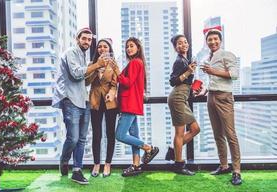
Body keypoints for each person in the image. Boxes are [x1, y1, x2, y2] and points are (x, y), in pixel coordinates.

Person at [52, 27, 106, 185]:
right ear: (78, 39)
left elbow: (84, 81)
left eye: (89, 40)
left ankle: (77, 170)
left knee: (82, 139)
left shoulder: (83, 56)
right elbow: (76, 74)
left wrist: (96, 71)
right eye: (84, 39)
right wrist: (96, 66)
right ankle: (64, 160)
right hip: (70, 100)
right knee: (73, 138)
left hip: (83, 100)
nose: (87, 42)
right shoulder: (71, 52)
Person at [111, 37, 159, 177]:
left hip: (129, 104)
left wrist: (117, 72)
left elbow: (127, 82)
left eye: (132, 46)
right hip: (131, 103)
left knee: (120, 135)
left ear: (138, 48)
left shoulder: (135, 63)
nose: (129, 48)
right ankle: (136, 165)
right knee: (134, 136)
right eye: (127, 46)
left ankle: (149, 148)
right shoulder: (137, 63)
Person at [201, 26, 242, 185]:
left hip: (224, 97)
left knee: (230, 135)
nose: (212, 42)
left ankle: (237, 171)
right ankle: (224, 165)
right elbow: (213, 80)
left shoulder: (227, 55)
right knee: (217, 134)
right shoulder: (209, 57)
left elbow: (234, 75)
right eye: (209, 40)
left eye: (215, 39)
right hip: (211, 96)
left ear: (220, 40)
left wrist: (212, 71)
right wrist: (203, 90)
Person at [167, 34, 200, 175]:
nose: (183, 44)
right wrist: (188, 72)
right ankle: (179, 164)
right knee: (179, 133)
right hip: (177, 97)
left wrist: (196, 88)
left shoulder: (186, 60)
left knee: (195, 129)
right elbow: (173, 81)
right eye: (179, 43)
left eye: (185, 42)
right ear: (175, 47)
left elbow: (186, 82)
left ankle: (174, 150)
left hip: (183, 97)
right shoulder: (179, 61)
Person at [85, 38, 118, 178]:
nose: (102, 49)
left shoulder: (114, 64)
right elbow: (86, 81)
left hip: (110, 102)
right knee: (96, 134)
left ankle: (108, 164)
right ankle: (96, 163)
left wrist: (112, 92)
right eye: (100, 47)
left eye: (105, 46)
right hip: (95, 101)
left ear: (109, 49)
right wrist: (96, 66)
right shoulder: (92, 64)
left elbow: (116, 82)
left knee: (110, 134)